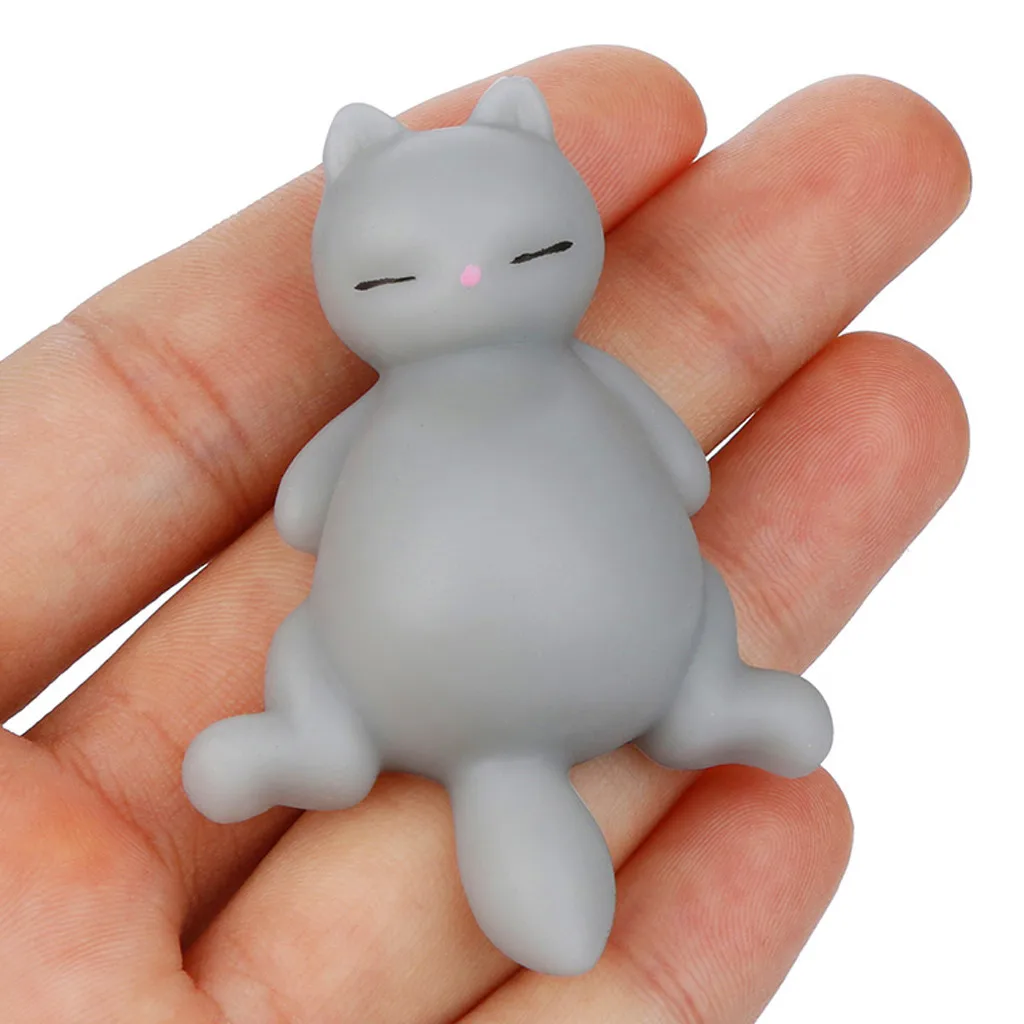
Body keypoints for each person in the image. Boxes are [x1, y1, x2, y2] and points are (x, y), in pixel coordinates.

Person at [0, 45, 970, 1024]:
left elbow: (302, 514)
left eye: (514, 252)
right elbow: (682, 478)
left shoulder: (405, 411)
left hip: (408, 681)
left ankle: (331, 731)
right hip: (609, 655)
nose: (466, 272)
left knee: (315, 641)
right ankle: (687, 693)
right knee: (695, 593)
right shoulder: (568, 383)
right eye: (409, 268)